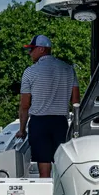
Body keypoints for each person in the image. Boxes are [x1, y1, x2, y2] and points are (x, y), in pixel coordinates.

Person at [16, 35, 80, 178]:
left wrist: (22, 130)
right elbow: (75, 100)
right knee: (61, 163)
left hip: (39, 122)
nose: (29, 53)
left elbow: (25, 105)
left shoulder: (30, 72)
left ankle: (45, 193)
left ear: (41, 49)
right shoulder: (68, 69)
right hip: (60, 122)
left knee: (44, 165)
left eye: (31, 50)